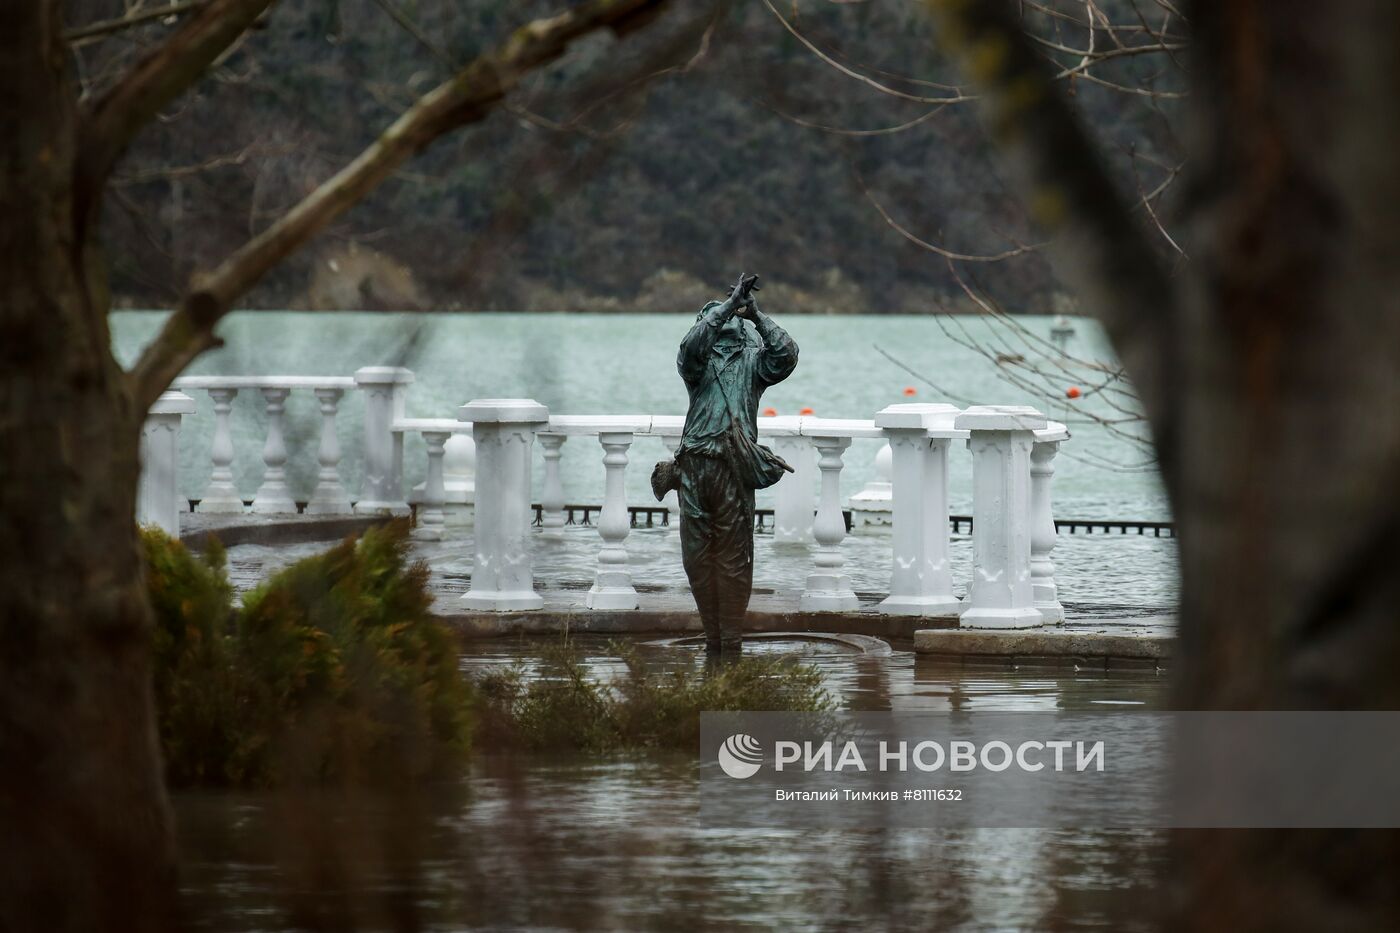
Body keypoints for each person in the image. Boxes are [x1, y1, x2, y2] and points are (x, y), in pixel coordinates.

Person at [672, 273, 799, 654]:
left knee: (734, 557)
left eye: (731, 316)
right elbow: (690, 346)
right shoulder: (697, 365)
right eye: (714, 316)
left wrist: (756, 315)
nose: (724, 319)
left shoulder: (753, 364)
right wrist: (726, 305)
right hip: (694, 466)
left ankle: (731, 640)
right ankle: (712, 638)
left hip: (733, 466)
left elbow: (787, 355)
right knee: (696, 557)